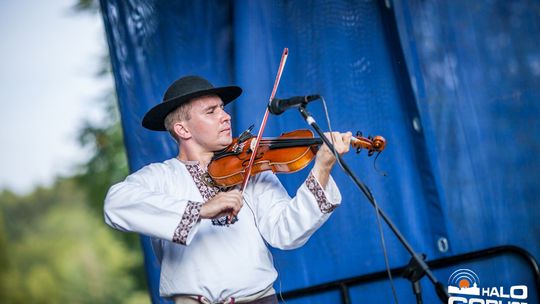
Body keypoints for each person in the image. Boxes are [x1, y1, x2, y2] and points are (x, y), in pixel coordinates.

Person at [104, 75, 352, 304]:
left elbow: (285, 232)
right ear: (182, 129)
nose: (226, 116)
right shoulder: (161, 177)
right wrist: (200, 210)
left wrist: (321, 168)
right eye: (211, 111)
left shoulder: (250, 167)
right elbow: (115, 204)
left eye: (222, 108)